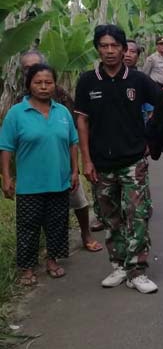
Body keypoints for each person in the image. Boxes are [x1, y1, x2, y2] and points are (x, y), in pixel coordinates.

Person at [75, 25, 163, 294]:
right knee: (111, 218)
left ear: (124, 49)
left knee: (137, 216)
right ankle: (120, 266)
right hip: (101, 163)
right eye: (104, 46)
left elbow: (161, 102)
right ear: (98, 49)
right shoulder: (88, 81)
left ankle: (137, 271)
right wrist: (86, 160)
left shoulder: (137, 80)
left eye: (115, 45)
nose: (110, 51)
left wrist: (151, 139)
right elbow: (82, 121)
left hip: (133, 161)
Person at [18, 50, 104, 251]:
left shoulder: (59, 94)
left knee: (78, 200)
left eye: (34, 66)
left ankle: (85, 233)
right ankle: (44, 248)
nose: (31, 71)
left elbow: (75, 123)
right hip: (33, 165)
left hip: (62, 161)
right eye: (26, 69)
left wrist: (78, 163)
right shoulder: (20, 98)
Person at [1, 64, 79, 284]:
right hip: (29, 184)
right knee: (28, 227)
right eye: (38, 82)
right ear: (29, 85)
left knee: (57, 224)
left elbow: (73, 143)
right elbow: (6, 147)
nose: (44, 87)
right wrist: (6, 178)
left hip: (59, 181)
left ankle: (52, 260)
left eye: (48, 82)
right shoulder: (17, 113)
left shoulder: (62, 112)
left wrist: (75, 171)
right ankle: (27, 268)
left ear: (55, 84)